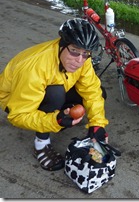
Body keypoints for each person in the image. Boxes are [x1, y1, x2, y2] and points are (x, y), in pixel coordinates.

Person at [0, 18, 109, 171]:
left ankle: (60, 113)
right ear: (62, 45)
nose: (79, 60)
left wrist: (97, 124)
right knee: (55, 94)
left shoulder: (82, 61)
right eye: (74, 51)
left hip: (54, 85)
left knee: (100, 92)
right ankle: (41, 145)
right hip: (15, 99)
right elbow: (17, 116)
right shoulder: (35, 69)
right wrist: (55, 120)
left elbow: (92, 91)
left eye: (85, 54)